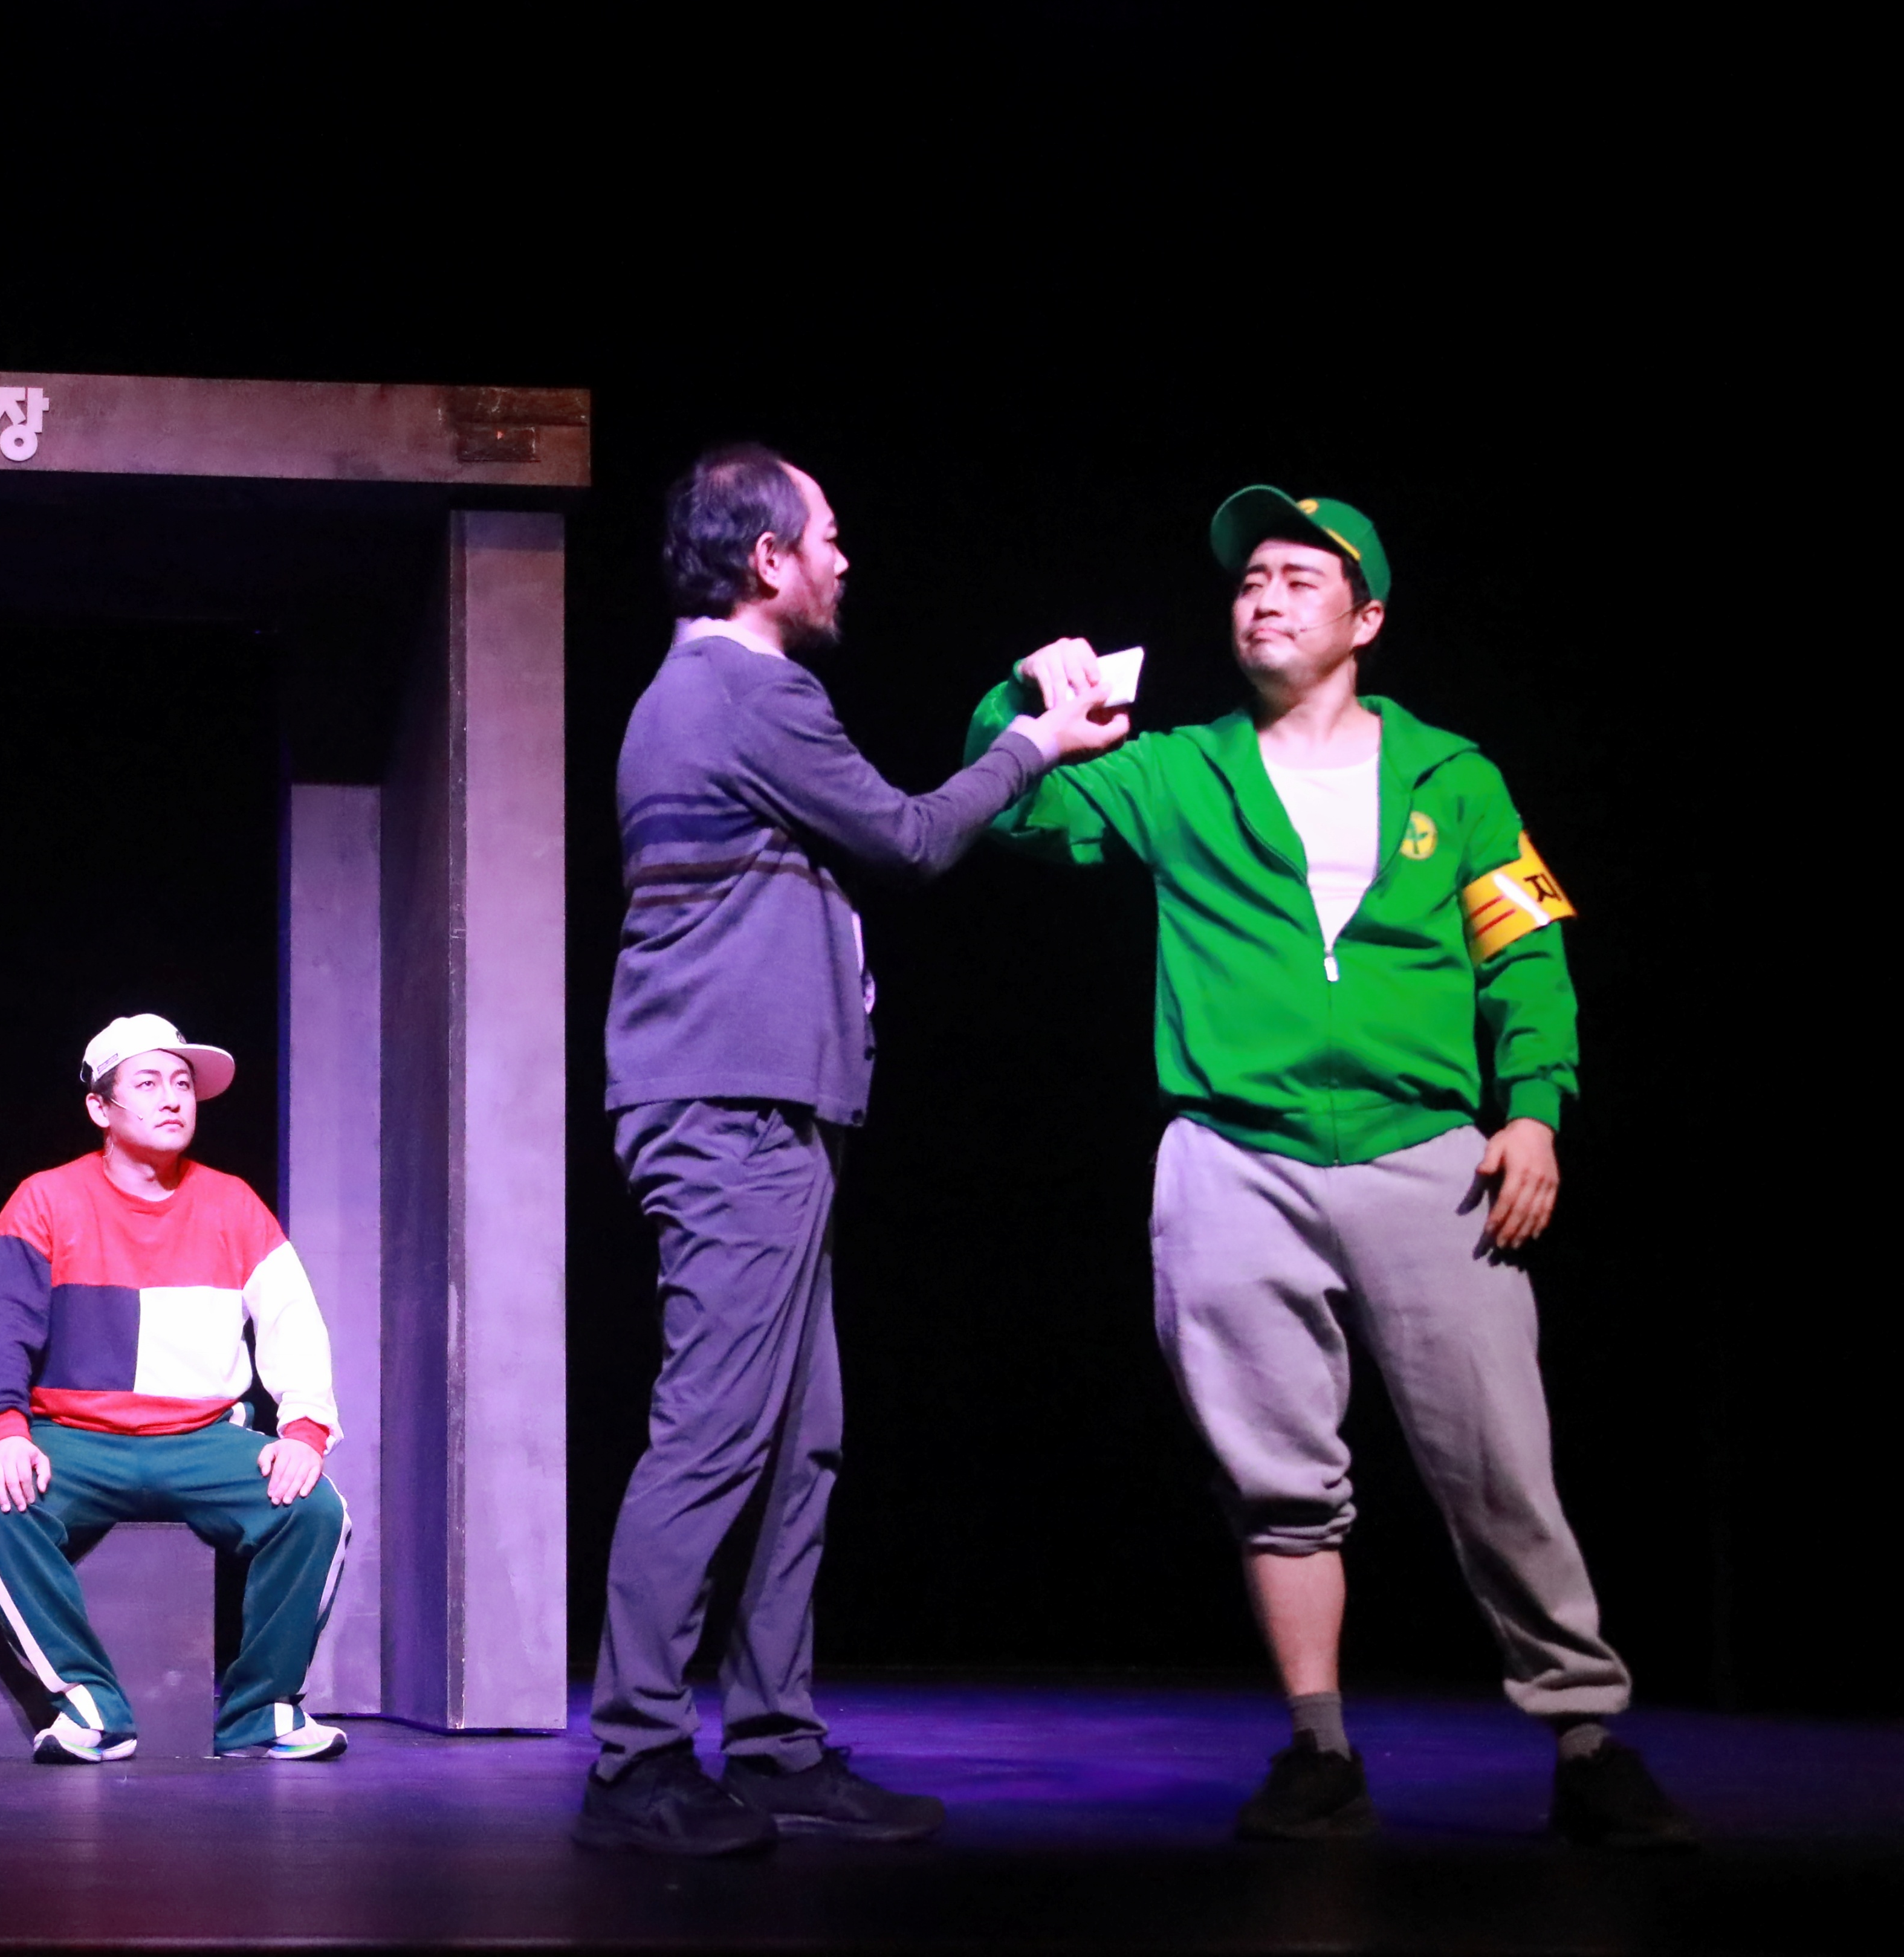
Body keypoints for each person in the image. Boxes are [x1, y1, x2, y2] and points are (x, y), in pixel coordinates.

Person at [968, 487, 1694, 1849]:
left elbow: (1523, 949)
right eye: (1249, 577)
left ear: (1365, 619)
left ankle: (1584, 1735)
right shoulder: (1178, 770)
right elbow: (1010, 815)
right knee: (1273, 1473)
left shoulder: (1452, 776)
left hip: (1426, 1158)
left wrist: (1534, 1111)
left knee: (1498, 1463)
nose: (1263, 595)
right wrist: (1020, 705)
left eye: (1299, 577)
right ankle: (1318, 1747)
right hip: (1230, 1157)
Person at [578, 445, 1132, 1859]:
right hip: (729, 1106)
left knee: (796, 1435)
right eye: (824, 533)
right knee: (713, 1430)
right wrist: (1034, 745)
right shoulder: (747, 689)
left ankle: (772, 1740)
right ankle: (635, 1758)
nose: (842, 556)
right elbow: (910, 837)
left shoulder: (699, 695)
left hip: (762, 1105)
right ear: (766, 557)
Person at [0, 1014, 351, 1764]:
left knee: (315, 1510)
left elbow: (293, 1321)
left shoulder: (233, 1203)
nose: (173, 1098)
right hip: (78, 1439)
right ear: (100, 1108)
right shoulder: (43, 1199)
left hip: (203, 1439)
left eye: (182, 1084)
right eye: (148, 1083)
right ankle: (90, 1705)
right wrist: (6, 1428)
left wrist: (304, 1429)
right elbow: (2, 1329)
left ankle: (260, 1710)